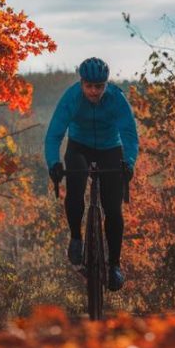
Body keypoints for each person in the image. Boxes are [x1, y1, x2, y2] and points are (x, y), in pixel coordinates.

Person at [44, 57, 138, 291]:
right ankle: (76, 237)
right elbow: (54, 135)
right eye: (89, 86)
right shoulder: (71, 98)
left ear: (106, 84)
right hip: (80, 146)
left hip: (110, 148)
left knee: (113, 209)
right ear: (82, 83)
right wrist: (54, 163)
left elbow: (129, 135)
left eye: (99, 86)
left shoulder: (117, 99)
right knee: (75, 186)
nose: (94, 91)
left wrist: (128, 162)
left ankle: (114, 265)